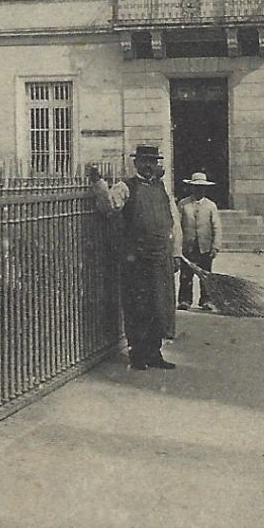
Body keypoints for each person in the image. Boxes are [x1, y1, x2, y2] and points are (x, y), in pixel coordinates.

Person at [91, 146, 178, 370]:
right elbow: (108, 206)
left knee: (160, 306)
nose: (149, 165)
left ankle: (154, 352)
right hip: (137, 258)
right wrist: (99, 185)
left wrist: (175, 253)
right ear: (136, 163)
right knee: (138, 306)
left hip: (160, 257)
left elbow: (172, 223)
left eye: (153, 161)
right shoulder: (125, 187)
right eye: (145, 161)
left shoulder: (161, 188)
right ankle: (138, 354)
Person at [177, 172, 223, 312]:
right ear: (191, 188)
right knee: (186, 275)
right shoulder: (183, 204)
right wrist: (178, 246)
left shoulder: (210, 206)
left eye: (202, 187)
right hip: (188, 246)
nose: (199, 190)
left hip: (204, 246)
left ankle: (206, 300)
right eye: (196, 187)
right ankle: (185, 300)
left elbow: (217, 226)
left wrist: (215, 246)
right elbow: (177, 226)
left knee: (206, 275)